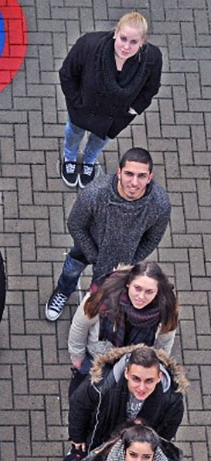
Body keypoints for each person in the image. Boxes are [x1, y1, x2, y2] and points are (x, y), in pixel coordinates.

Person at [45, 147, 171, 322]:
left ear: (150, 177)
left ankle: (92, 310)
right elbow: (75, 224)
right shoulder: (95, 193)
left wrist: (130, 260)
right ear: (119, 172)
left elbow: (152, 239)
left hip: (122, 260)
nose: (134, 183)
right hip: (88, 246)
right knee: (70, 272)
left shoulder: (160, 204)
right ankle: (63, 291)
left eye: (141, 176)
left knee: (104, 293)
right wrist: (95, 256)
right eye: (129, 174)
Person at [59, 12, 162, 188]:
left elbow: (150, 89)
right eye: (123, 38)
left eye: (133, 42)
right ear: (115, 33)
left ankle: (89, 161)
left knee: (98, 141)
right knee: (74, 133)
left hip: (112, 118)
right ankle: (69, 156)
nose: (126, 47)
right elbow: (67, 74)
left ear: (142, 42)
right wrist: (76, 102)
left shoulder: (152, 59)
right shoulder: (89, 45)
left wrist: (132, 110)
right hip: (82, 109)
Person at [62, 345, 188, 461]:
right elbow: (79, 406)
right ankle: (77, 454)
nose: (141, 388)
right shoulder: (101, 385)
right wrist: (77, 437)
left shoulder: (172, 399)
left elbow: (169, 428)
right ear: (126, 373)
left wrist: (154, 449)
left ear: (159, 377)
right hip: (100, 434)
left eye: (149, 381)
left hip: (136, 446)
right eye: (136, 379)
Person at [67, 262, 179, 394]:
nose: (141, 297)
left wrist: (157, 366)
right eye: (137, 288)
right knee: (80, 390)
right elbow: (80, 327)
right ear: (128, 284)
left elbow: (164, 342)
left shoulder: (167, 309)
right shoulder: (102, 297)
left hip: (136, 365)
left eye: (149, 292)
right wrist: (77, 356)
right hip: (97, 357)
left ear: (158, 291)